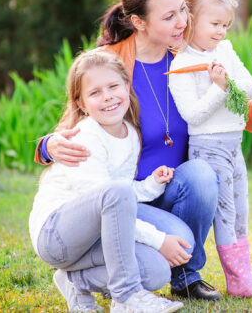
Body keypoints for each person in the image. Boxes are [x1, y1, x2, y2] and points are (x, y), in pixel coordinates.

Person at [33, 0, 252, 300]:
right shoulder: (111, 64)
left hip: (172, 187)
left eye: (182, 10)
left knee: (201, 174)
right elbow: (74, 125)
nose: (182, 22)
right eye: (169, 16)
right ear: (140, 22)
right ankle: (100, 272)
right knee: (160, 257)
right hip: (127, 197)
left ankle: (186, 277)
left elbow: (244, 116)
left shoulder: (192, 57)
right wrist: (47, 147)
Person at [29, 50, 185, 312]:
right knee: (117, 196)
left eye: (113, 86)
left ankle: (74, 280)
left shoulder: (130, 134)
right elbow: (111, 195)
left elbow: (119, 199)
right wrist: (159, 240)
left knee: (156, 271)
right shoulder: (86, 136)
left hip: (95, 239)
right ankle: (127, 297)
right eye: (95, 92)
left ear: (127, 86)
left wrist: (151, 185)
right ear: (81, 103)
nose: (108, 97)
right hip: (57, 236)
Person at [168, 0, 252, 298]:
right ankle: (239, 280)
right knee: (226, 213)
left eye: (226, 25)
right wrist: (219, 88)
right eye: (215, 24)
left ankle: (243, 276)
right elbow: (194, 116)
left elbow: (250, 87)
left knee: (241, 208)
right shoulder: (182, 66)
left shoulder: (224, 50)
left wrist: (226, 82)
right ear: (189, 21)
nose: (221, 32)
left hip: (234, 145)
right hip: (208, 148)